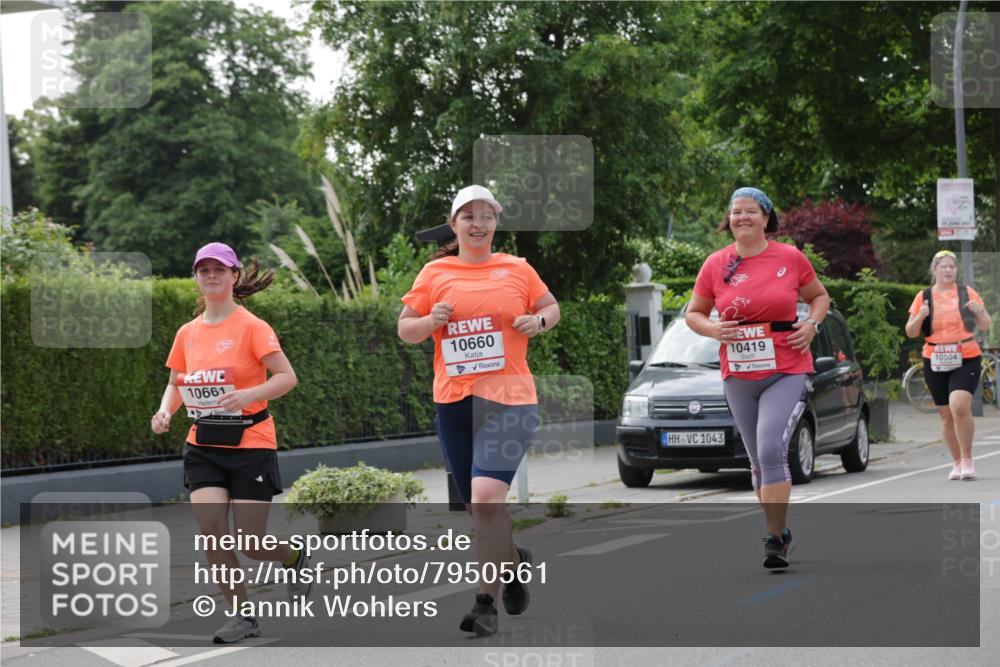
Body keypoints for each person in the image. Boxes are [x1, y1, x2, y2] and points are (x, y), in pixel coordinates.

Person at [398, 185, 560, 635]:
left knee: (487, 499)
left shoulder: (517, 269)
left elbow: (550, 306)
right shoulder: (435, 272)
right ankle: (512, 564)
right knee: (478, 510)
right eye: (468, 216)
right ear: (454, 224)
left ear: (495, 224)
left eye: (486, 215)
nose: (478, 223)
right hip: (454, 400)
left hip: (509, 399)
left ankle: (484, 604)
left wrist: (538, 321)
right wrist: (430, 322)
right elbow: (405, 329)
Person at [151, 242, 312, 644]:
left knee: (251, 542)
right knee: (211, 531)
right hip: (203, 443)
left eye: (218, 270)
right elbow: (176, 384)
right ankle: (242, 615)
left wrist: (247, 394)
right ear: (196, 278)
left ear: (234, 275)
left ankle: (295, 558)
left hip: (251, 442)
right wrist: (166, 411)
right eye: (203, 270)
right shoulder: (187, 333)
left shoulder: (253, 327)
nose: (211, 276)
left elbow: (286, 377)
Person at [685, 187, 830, 569]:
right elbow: (694, 313)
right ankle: (780, 531)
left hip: (786, 367)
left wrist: (812, 325)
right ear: (729, 219)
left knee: (770, 450)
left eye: (751, 211)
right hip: (738, 373)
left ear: (767, 218)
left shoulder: (791, 257)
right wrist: (713, 330)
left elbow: (820, 297)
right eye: (736, 211)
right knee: (755, 461)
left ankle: (773, 539)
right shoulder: (715, 264)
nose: (742, 217)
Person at [905, 249, 991, 481]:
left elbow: (985, 324)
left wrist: (980, 311)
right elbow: (911, 332)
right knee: (945, 414)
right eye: (943, 266)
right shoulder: (923, 297)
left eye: (951, 266)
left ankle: (967, 459)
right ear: (934, 270)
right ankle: (956, 462)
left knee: (959, 406)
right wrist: (920, 316)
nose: (948, 270)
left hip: (966, 354)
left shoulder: (967, 292)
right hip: (934, 356)